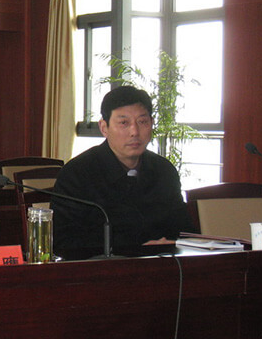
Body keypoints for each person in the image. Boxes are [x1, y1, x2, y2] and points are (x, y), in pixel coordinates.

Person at [51, 85, 195, 253]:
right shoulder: (77, 173)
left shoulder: (164, 170)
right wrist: (135, 249)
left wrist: (170, 243)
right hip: (103, 266)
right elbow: (63, 240)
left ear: (151, 123)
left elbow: (183, 229)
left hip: (162, 263)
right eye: (124, 123)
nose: (134, 132)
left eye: (142, 122)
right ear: (104, 127)